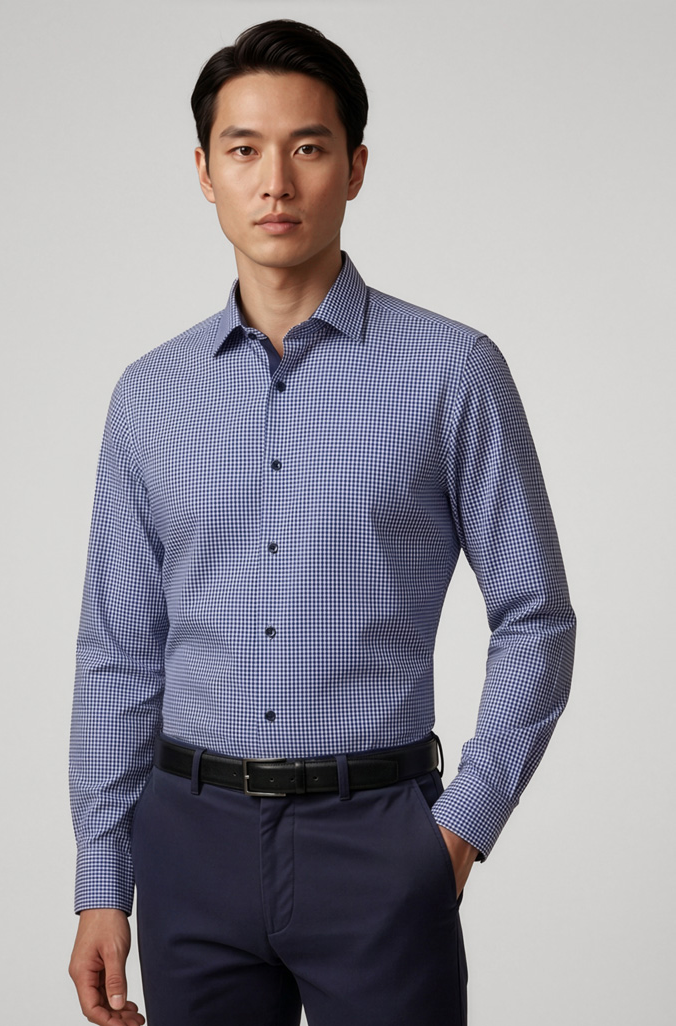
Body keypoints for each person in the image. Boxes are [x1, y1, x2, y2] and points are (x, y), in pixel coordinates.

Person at [68, 19, 576, 1026]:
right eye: (242, 150)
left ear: (354, 168)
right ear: (204, 172)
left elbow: (535, 615)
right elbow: (118, 653)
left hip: (378, 839)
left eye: (307, 147)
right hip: (188, 848)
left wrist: (459, 830)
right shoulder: (148, 396)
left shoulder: (451, 371)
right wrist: (100, 879)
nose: (275, 183)